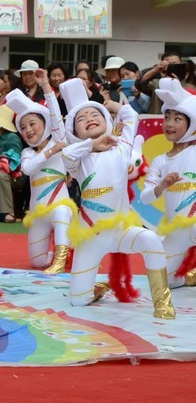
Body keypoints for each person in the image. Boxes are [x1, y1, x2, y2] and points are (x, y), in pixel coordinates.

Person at [58, 77, 175, 318]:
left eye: (95, 115)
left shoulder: (121, 148)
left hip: (121, 232)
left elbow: (131, 116)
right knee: (78, 301)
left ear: (107, 121)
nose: (89, 118)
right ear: (74, 132)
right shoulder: (78, 161)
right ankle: (97, 289)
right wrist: (92, 145)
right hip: (90, 237)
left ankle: (163, 303)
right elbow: (67, 155)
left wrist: (110, 104)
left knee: (152, 240)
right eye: (81, 119)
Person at [6, 76, 74, 274]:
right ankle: (65, 252)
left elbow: (56, 115)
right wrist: (51, 152)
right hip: (38, 214)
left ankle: (60, 259)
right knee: (37, 262)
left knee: (61, 213)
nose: (28, 130)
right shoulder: (28, 152)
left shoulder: (58, 139)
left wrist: (45, 85)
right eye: (23, 127)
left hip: (59, 206)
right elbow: (27, 169)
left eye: (32, 124)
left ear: (45, 123)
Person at [139, 79, 196, 288]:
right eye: (167, 117)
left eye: (177, 118)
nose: (169, 124)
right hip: (175, 231)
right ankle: (191, 277)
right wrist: (161, 186)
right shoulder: (160, 161)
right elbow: (145, 198)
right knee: (164, 282)